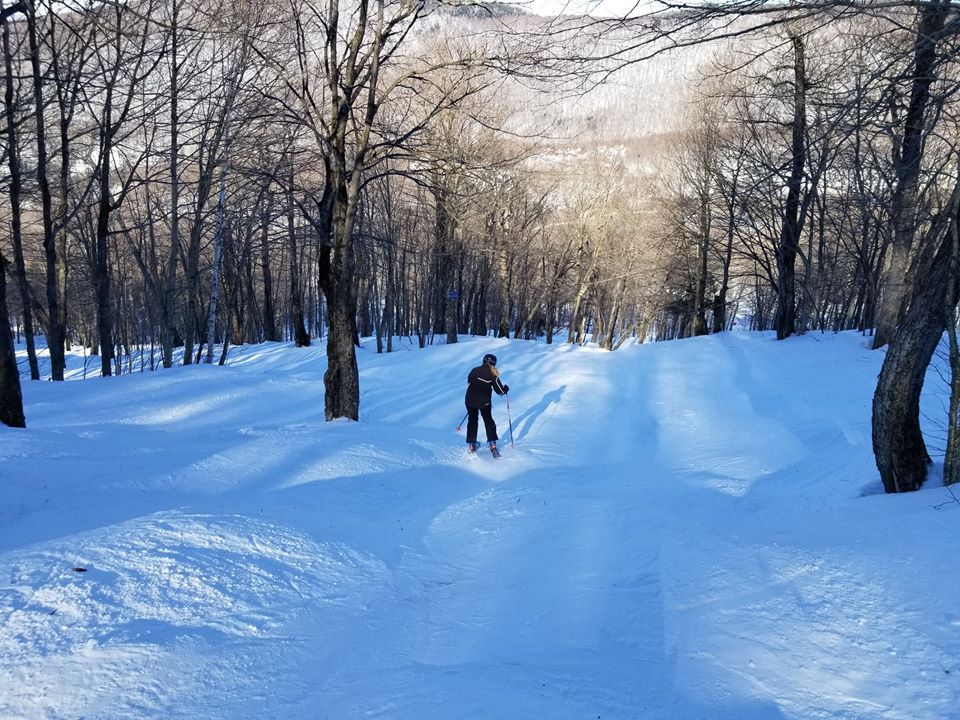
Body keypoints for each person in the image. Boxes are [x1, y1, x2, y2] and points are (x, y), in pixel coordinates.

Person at [464, 353, 509, 456]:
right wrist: (505, 389)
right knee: (488, 421)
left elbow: (469, 381)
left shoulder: (474, 369)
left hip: (469, 400)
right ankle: (492, 444)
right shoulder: (493, 374)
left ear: (484, 360)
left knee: (472, 421)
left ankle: (472, 444)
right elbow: (500, 390)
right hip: (484, 402)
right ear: (494, 363)